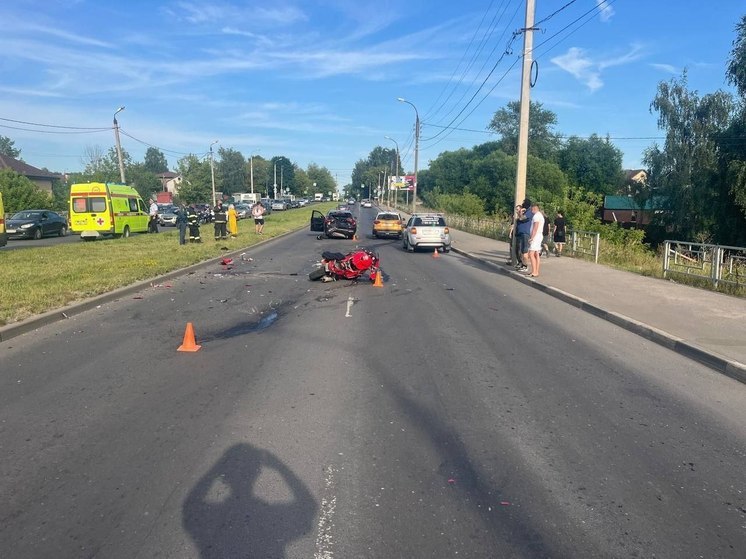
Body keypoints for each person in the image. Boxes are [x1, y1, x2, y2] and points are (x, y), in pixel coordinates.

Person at [514, 198, 533, 271]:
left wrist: (520, 212)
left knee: (524, 251)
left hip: (525, 233)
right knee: (521, 251)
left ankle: (525, 266)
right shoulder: (526, 211)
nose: (522, 204)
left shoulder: (529, 212)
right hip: (521, 233)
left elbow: (522, 218)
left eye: (524, 203)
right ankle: (522, 264)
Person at [528, 201, 545, 278]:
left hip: (536, 236)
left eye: (532, 209)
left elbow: (535, 228)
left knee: (531, 254)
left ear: (535, 208)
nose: (531, 211)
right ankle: (535, 271)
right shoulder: (540, 215)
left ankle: (534, 271)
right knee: (536, 254)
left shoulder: (536, 216)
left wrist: (531, 238)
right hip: (539, 236)